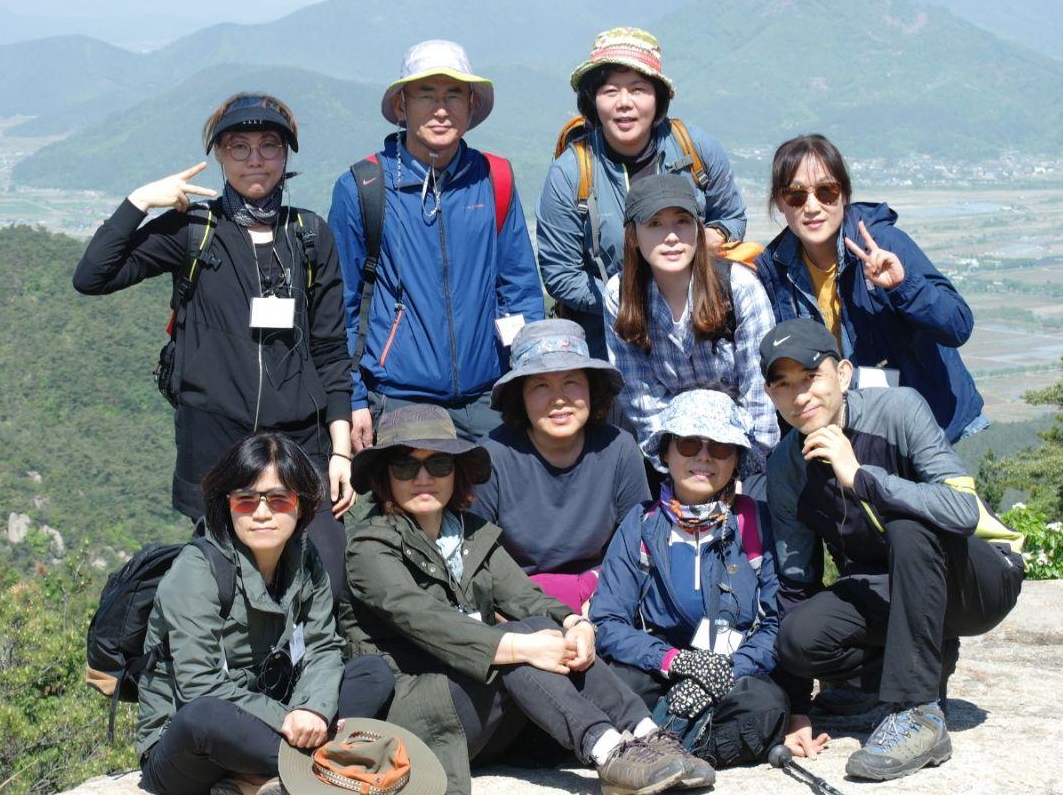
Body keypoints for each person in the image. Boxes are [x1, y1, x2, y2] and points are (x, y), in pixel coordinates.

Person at [336, 404, 713, 795]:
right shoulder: (369, 547)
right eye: (405, 466)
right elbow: (424, 619)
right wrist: (518, 645)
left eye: (439, 464)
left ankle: (647, 733)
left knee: (537, 628)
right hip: (417, 712)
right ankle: (607, 752)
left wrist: (573, 623)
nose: (424, 478)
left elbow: (525, 596)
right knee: (519, 640)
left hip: (480, 703)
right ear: (384, 478)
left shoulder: (470, 533)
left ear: (457, 470)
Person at [72, 92, 355, 598]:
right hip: (218, 442)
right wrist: (139, 201)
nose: (255, 158)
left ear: (286, 156)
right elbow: (92, 276)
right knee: (227, 588)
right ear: (221, 156)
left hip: (300, 440)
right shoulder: (194, 231)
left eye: (269, 145)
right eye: (239, 146)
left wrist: (340, 452)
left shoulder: (310, 235)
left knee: (326, 582)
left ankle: (308, 674)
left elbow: (331, 349)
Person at [761, 319, 1025, 781]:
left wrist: (860, 476)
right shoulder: (786, 467)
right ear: (770, 395)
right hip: (894, 589)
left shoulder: (898, 409)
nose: (799, 396)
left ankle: (917, 711)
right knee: (798, 639)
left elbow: (962, 510)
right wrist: (796, 707)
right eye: (783, 385)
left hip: (977, 582)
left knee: (909, 526)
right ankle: (920, 664)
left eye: (810, 377)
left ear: (842, 374)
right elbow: (795, 583)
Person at [137, 433, 394, 795]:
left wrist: (313, 708)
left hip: (278, 718)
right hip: (189, 746)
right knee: (203, 717)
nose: (262, 513)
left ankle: (263, 782)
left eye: (279, 500)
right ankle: (330, 765)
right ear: (227, 504)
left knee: (372, 672)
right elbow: (198, 686)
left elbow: (324, 647)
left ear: (301, 506)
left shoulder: (306, 559)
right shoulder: (197, 571)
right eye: (246, 499)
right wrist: (287, 720)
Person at [329, 40, 544, 449]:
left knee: (497, 512)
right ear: (401, 107)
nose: (441, 109)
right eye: (426, 94)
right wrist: (352, 398)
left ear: (471, 105)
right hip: (399, 401)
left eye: (453, 95)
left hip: (490, 397)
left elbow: (519, 289)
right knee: (415, 511)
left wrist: (528, 381)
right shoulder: (364, 186)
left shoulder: (494, 178)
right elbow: (341, 306)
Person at [590, 389, 791, 767]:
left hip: (735, 670)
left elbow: (777, 620)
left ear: (737, 460)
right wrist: (676, 662)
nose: (703, 456)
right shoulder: (639, 525)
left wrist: (728, 671)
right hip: (658, 667)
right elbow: (608, 620)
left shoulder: (758, 522)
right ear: (665, 453)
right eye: (688, 443)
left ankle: (660, 749)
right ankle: (688, 743)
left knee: (766, 705)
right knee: (618, 687)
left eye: (719, 447)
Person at [753, 134, 987, 444]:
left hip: (927, 430)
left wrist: (904, 287)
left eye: (826, 191)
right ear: (780, 203)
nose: (812, 206)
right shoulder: (775, 270)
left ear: (844, 195)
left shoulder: (882, 244)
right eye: (796, 195)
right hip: (852, 435)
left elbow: (958, 325)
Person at [537, 26, 746, 360]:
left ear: (657, 97)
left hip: (701, 331)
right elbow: (561, 274)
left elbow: (731, 217)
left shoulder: (696, 150)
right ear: (592, 99)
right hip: (611, 338)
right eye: (610, 91)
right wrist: (629, 300)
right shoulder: (571, 173)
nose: (624, 103)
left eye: (637, 89)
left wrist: (711, 237)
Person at [604, 174, 778, 479]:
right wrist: (681, 470)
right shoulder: (620, 296)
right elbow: (642, 399)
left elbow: (761, 394)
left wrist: (738, 469)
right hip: (673, 458)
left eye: (682, 222)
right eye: (654, 224)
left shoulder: (739, 288)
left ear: (698, 229)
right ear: (633, 235)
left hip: (740, 456)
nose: (671, 236)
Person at [471, 318, 650, 614]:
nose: (559, 399)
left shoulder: (620, 448)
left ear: (592, 390)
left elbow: (635, 547)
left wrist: (601, 602)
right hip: (518, 606)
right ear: (520, 396)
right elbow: (476, 561)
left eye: (571, 382)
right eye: (541, 385)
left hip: (604, 598)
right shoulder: (491, 458)